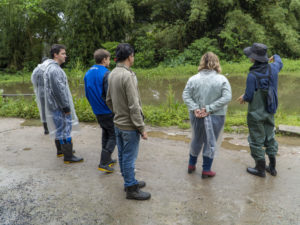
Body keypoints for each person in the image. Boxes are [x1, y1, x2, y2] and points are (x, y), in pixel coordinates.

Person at [106, 43, 151, 200]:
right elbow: (134, 105)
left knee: (123, 155)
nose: (134, 58)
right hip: (129, 126)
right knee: (129, 158)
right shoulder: (128, 76)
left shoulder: (112, 73)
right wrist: (141, 128)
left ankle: (129, 182)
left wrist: (118, 113)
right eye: (133, 55)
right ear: (129, 56)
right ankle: (131, 188)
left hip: (118, 123)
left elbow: (109, 100)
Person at [182, 52, 232, 178]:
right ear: (216, 63)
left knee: (196, 138)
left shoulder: (193, 79)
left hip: (197, 114)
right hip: (216, 115)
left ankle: (191, 165)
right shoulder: (222, 79)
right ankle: (206, 170)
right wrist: (209, 108)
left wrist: (195, 108)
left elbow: (186, 95)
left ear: (202, 62)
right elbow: (227, 97)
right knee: (211, 141)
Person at [237, 43, 283, 177]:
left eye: (251, 56)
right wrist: (274, 56)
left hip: (256, 113)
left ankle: (260, 169)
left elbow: (250, 96)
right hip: (270, 110)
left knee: (256, 139)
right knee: (270, 137)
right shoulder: (274, 68)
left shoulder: (252, 75)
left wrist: (243, 97)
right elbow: (279, 61)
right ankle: (272, 168)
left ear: (253, 59)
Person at [43, 44, 83, 163]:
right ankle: (68, 156)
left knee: (60, 130)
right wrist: (66, 107)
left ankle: (64, 152)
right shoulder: (54, 70)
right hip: (60, 107)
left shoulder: (50, 68)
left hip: (55, 106)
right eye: (63, 53)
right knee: (65, 129)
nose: (66, 56)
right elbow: (59, 91)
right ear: (56, 55)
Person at [84, 49, 117, 173]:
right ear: (104, 60)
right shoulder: (106, 73)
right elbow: (109, 95)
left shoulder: (88, 73)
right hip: (107, 110)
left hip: (97, 110)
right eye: (109, 59)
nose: (109, 61)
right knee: (114, 135)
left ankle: (107, 159)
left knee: (106, 132)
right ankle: (103, 162)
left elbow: (87, 94)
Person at [31, 57, 51, 135]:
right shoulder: (50, 69)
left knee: (43, 110)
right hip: (50, 92)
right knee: (52, 109)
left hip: (41, 93)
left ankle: (46, 130)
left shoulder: (37, 70)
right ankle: (52, 127)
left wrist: (39, 87)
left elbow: (33, 81)